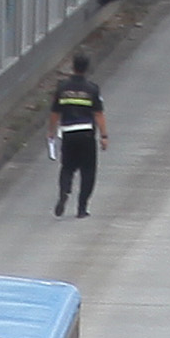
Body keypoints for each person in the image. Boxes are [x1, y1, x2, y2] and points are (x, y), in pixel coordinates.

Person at [51, 50, 107, 216]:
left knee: (67, 167)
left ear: (73, 66)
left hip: (68, 133)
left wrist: (51, 132)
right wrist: (104, 136)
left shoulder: (62, 88)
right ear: (87, 68)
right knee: (88, 171)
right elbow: (98, 114)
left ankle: (64, 190)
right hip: (86, 134)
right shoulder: (92, 89)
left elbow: (55, 113)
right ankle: (82, 208)